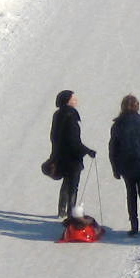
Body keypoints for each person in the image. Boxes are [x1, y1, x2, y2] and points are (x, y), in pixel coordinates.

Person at [108, 94, 140, 235]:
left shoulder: (117, 125)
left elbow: (113, 148)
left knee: (131, 195)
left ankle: (134, 226)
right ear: (137, 106)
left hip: (126, 165)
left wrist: (115, 168)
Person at [49, 90, 97, 218]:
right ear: (67, 101)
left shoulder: (58, 115)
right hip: (72, 158)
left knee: (66, 182)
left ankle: (62, 210)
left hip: (60, 155)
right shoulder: (70, 116)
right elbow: (74, 141)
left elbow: (54, 136)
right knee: (73, 186)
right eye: (73, 98)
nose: (76, 100)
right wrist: (87, 151)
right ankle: (71, 213)